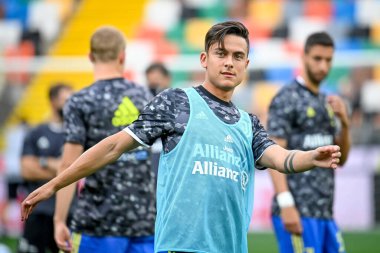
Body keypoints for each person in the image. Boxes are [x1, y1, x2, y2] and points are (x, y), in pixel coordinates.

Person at [21, 21, 342, 253]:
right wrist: (54, 184)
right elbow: (114, 145)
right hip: (180, 247)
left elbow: (281, 158)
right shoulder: (176, 102)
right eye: (221, 53)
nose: (229, 61)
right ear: (205, 59)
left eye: (238, 56)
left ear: (246, 64)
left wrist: (309, 158)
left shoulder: (249, 123)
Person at [51, 26, 156, 253]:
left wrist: (59, 220)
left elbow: (68, 164)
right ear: (122, 56)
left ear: (90, 57)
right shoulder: (145, 96)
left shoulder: (80, 101)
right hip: (145, 223)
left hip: (97, 224)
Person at [267, 32, 351, 253]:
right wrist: (286, 205)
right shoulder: (286, 97)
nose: (323, 66)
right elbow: (274, 153)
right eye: (317, 58)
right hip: (298, 211)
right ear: (304, 57)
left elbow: (340, 160)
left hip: (325, 212)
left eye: (328, 60)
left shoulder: (328, 102)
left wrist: (345, 123)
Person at [18, 83, 73, 253]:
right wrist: (59, 166)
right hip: (39, 211)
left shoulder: (75, 133)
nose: (70, 105)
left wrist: (41, 163)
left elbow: (80, 171)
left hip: (69, 213)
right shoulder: (36, 133)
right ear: (52, 101)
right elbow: (27, 169)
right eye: (65, 100)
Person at [144, 62, 171, 175]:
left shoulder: (176, 101)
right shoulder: (143, 99)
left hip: (169, 151)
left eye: (158, 81)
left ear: (167, 79)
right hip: (149, 151)